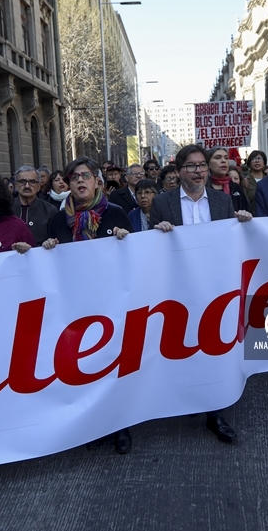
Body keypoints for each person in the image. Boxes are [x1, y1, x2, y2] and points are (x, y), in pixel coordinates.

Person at [148, 144, 251, 444]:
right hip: (178, 288)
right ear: (179, 171)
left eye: (202, 166)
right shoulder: (163, 203)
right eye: (191, 166)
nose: (198, 171)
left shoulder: (222, 202)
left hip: (214, 287)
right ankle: (180, 398)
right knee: (181, 344)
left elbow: (232, 243)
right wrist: (159, 231)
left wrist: (241, 223)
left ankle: (215, 411)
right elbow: (152, 246)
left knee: (213, 345)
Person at [42, 157, 131, 452]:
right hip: (74, 305)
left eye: (86, 176)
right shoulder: (57, 220)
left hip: (110, 302)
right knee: (83, 367)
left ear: (97, 182)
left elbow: (136, 256)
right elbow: (47, 266)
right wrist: (47, 250)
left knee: (113, 365)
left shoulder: (117, 214)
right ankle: (91, 426)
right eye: (74, 177)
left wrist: (126, 241)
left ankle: (120, 425)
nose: (80, 181)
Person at [11, 166, 59, 244]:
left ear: (38, 187)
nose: (27, 186)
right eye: (22, 181)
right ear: (16, 185)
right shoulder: (5, 209)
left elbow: (55, 239)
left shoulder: (49, 210)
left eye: (32, 182)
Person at [206, 147, 252, 214]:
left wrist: (244, 214)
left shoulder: (236, 188)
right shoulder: (202, 188)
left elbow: (248, 211)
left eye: (226, 158)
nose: (223, 161)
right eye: (218, 157)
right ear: (208, 164)